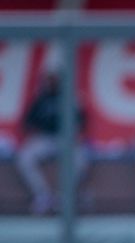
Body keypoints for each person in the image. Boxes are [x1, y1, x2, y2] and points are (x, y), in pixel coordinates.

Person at [14, 71, 88, 215]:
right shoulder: (40, 100)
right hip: (45, 138)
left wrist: (75, 134)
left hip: (65, 138)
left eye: (54, 80)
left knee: (81, 159)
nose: (51, 83)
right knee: (24, 157)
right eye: (48, 80)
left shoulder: (71, 99)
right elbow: (27, 124)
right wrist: (35, 131)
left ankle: (64, 196)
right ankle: (43, 195)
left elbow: (81, 123)